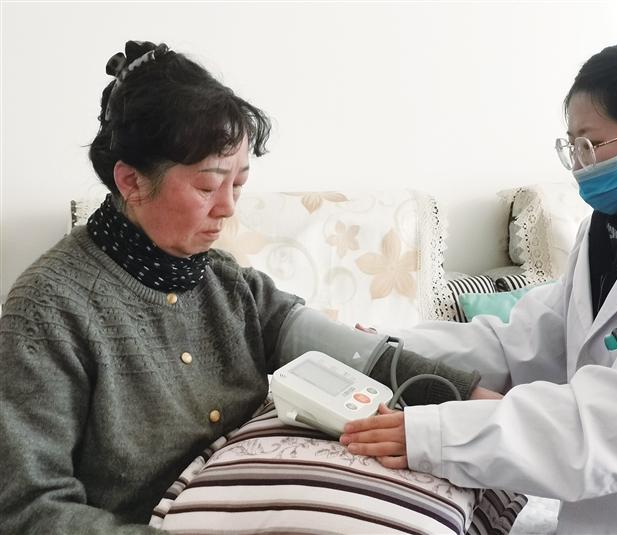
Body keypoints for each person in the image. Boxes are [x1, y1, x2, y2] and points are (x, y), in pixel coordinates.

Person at [0, 40, 488, 534]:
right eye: (208, 186)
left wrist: (472, 401)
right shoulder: (46, 310)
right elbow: (25, 508)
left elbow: (361, 356)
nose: (229, 207)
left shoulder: (227, 284)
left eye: (239, 184)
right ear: (131, 182)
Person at [341, 33, 617, 535]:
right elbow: (520, 343)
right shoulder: (609, 231)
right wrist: (384, 348)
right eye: (573, 147)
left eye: (591, 145)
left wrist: (432, 436)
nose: (581, 167)